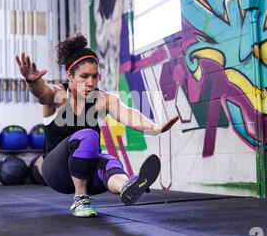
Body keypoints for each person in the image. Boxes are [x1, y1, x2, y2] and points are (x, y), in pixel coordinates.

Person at [16, 34, 178, 217]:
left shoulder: (102, 99)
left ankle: (127, 186)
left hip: (84, 172)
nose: (91, 83)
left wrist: (155, 128)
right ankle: (80, 199)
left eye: (94, 76)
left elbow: (128, 114)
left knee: (109, 161)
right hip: (56, 173)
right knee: (88, 135)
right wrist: (32, 81)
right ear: (69, 75)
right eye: (84, 77)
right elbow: (41, 93)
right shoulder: (58, 95)